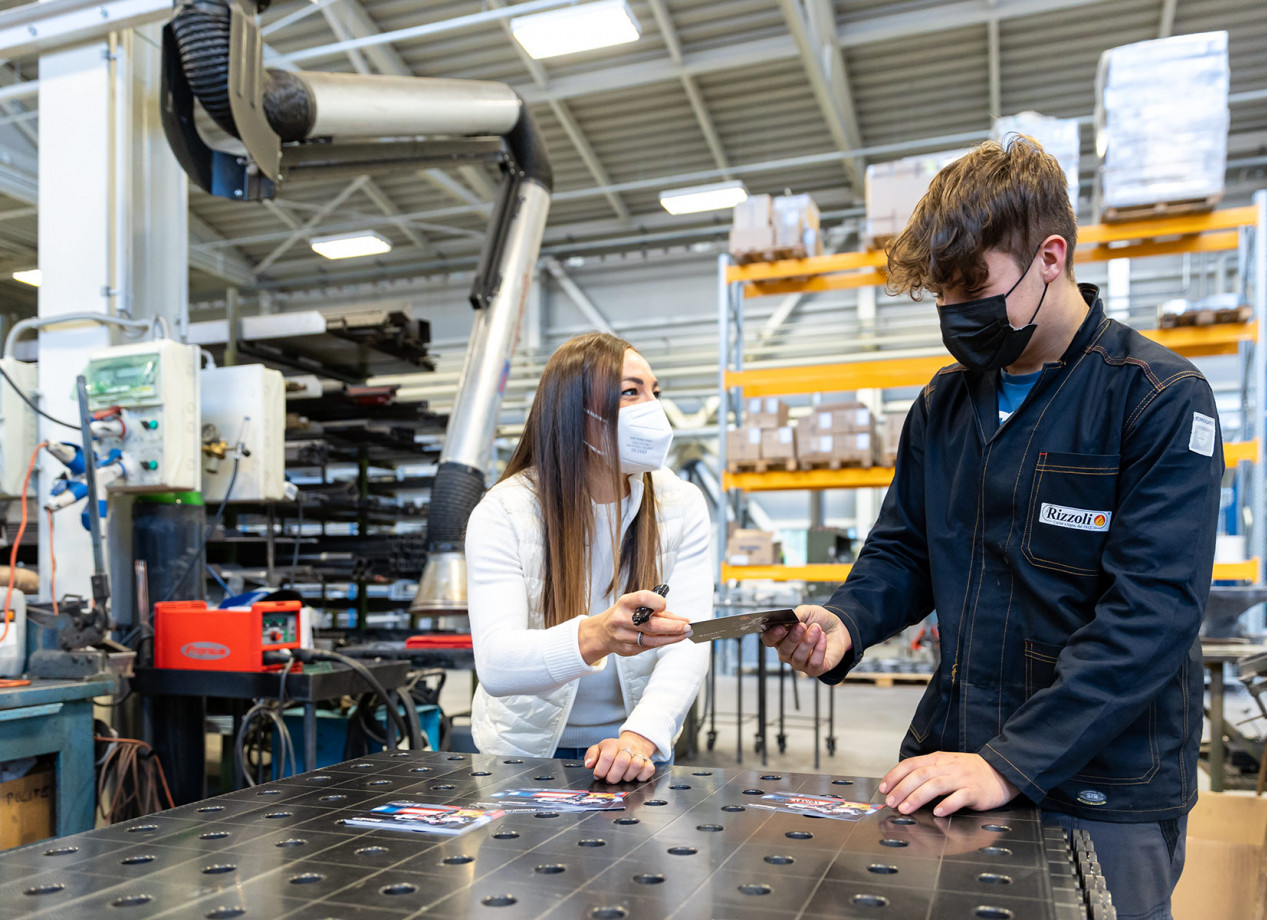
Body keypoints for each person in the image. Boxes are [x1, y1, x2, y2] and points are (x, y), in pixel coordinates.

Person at [763, 136, 1223, 920]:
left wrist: (1010, 763)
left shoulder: (1158, 399)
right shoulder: (944, 405)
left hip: (1103, 787)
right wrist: (844, 620)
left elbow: (1150, 617)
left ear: (1051, 256)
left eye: (972, 284)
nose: (953, 313)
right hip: (958, 761)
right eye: (940, 292)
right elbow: (903, 547)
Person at [466, 332, 712, 784]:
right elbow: (497, 663)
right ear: (573, 412)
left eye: (655, 393)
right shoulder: (505, 510)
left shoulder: (681, 505)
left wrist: (639, 738)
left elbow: (689, 642)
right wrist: (598, 634)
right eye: (630, 392)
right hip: (523, 755)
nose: (652, 409)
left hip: (635, 753)